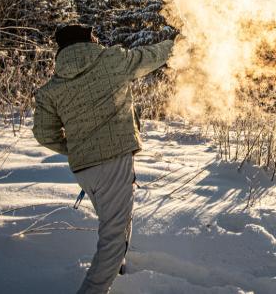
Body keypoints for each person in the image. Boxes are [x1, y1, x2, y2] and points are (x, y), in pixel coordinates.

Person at [33, 24, 174, 294]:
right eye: (93, 37)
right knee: (113, 236)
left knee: (116, 223)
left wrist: (76, 148)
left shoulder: (52, 88)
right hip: (113, 163)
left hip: (84, 170)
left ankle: (117, 270)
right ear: (88, 40)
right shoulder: (112, 60)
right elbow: (151, 56)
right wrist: (177, 45)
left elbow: (43, 133)